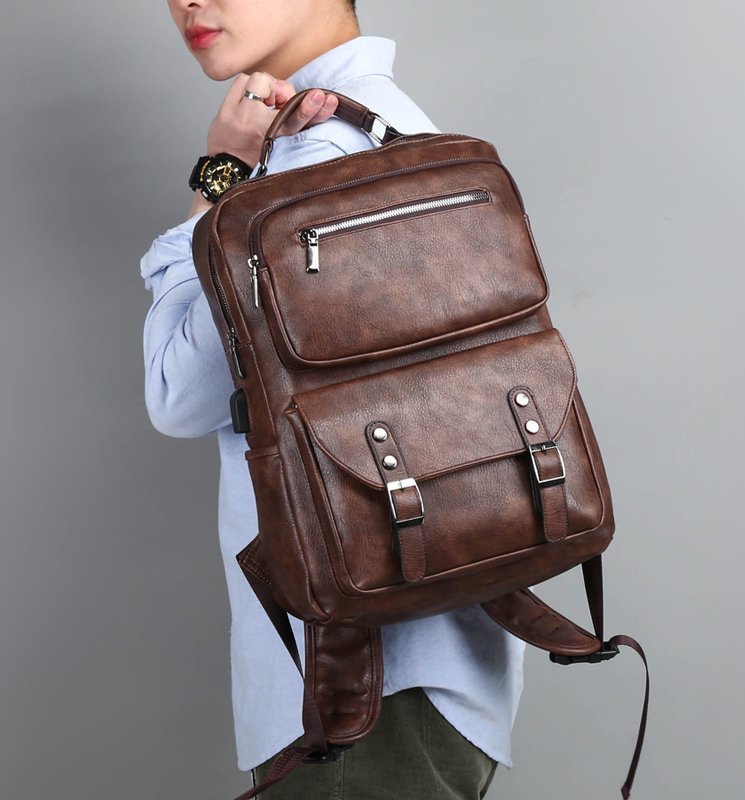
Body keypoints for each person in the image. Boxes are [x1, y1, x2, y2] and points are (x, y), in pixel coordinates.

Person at [141, 1, 526, 797]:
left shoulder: (313, 159)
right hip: (432, 661)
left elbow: (178, 392)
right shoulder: (398, 128)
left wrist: (220, 172)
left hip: (356, 688)